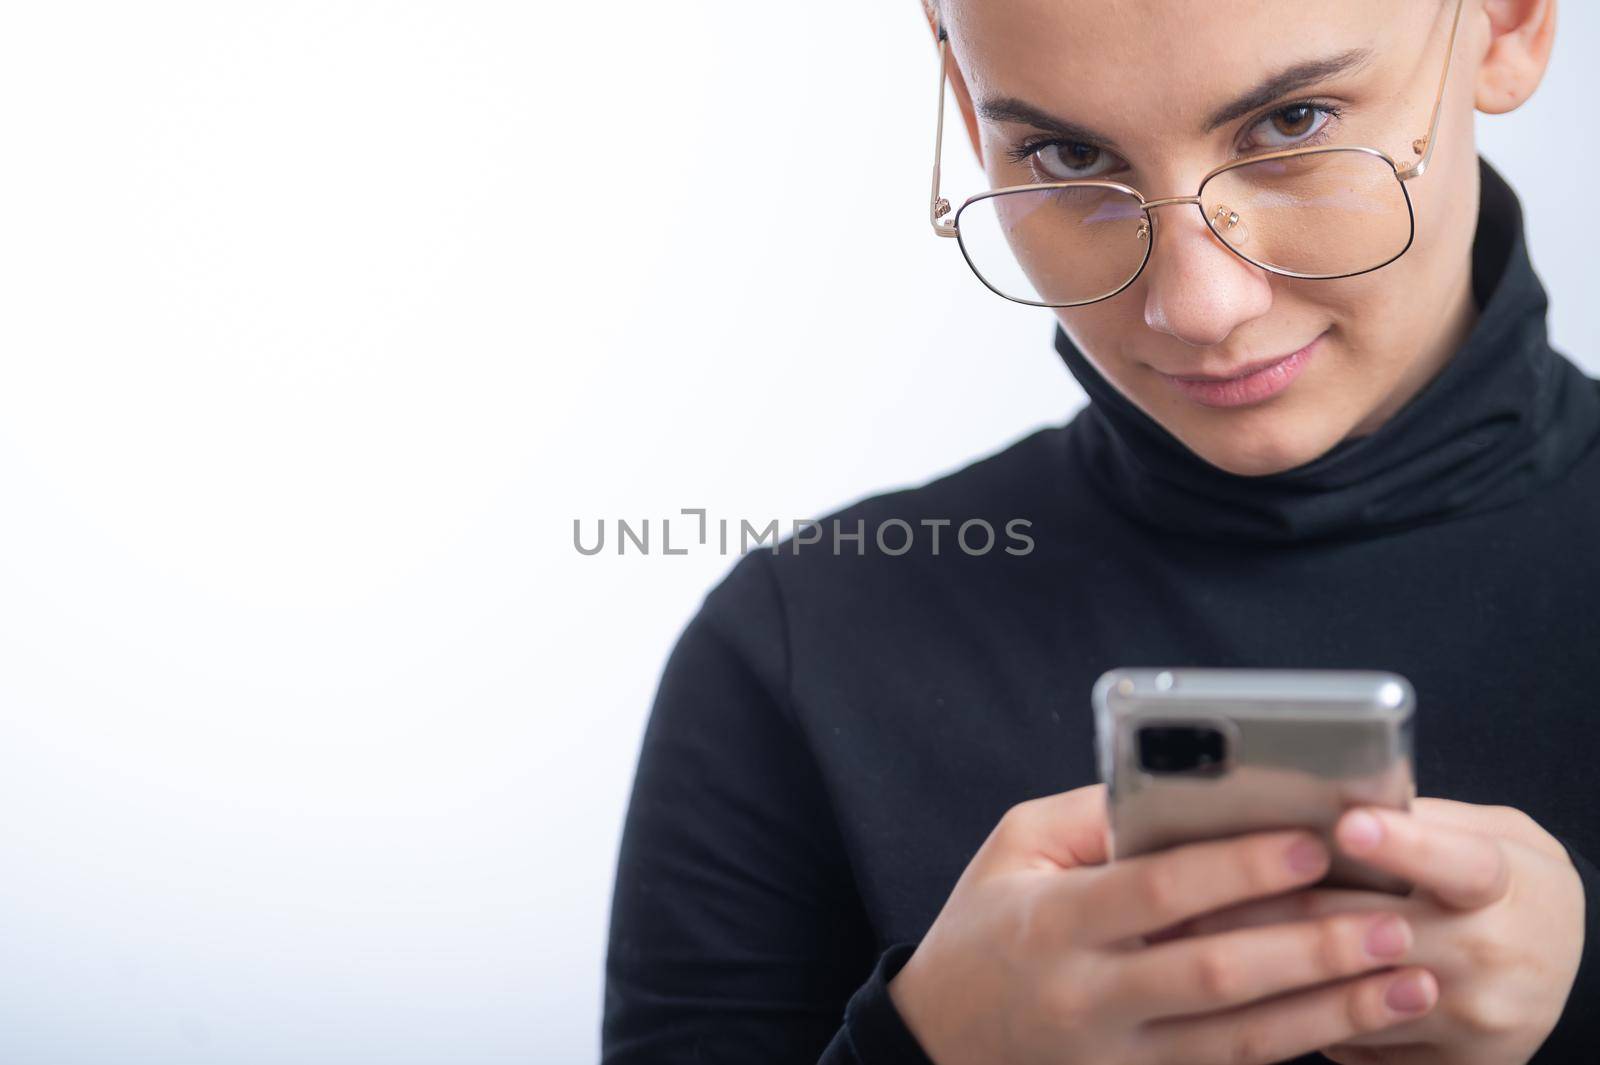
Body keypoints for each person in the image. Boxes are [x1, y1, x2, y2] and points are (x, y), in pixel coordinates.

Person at [601, 0, 1598, 1061]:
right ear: (964, 108)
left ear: (1505, 26)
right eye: (1068, 154)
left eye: (1294, 122)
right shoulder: (794, 645)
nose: (1196, 304)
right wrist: (926, 1046)